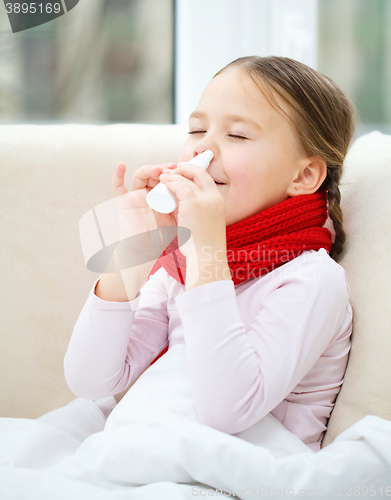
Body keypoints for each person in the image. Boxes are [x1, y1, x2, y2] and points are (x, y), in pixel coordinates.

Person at [64, 56, 355, 452]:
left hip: (245, 472)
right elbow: (91, 380)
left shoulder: (312, 279)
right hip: (150, 449)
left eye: (237, 135)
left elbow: (228, 413)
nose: (203, 146)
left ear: (303, 176)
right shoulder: (177, 269)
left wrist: (205, 251)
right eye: (197, 129)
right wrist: (132, 249)